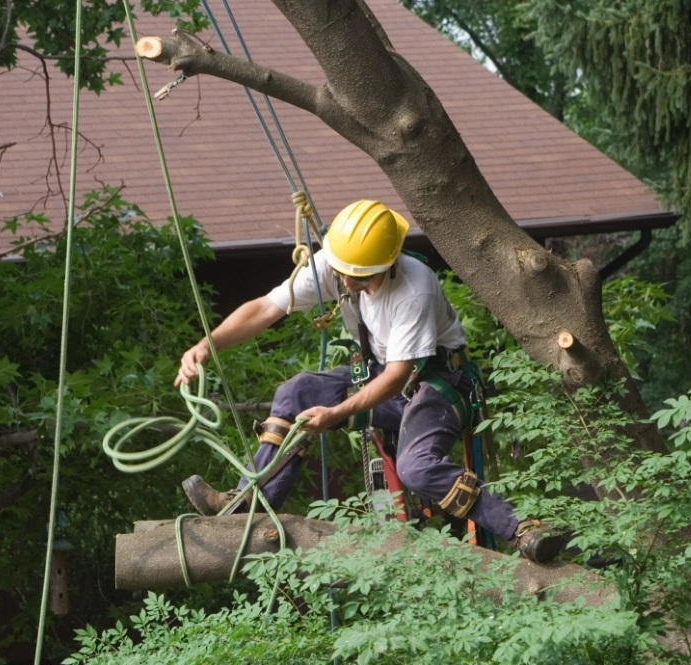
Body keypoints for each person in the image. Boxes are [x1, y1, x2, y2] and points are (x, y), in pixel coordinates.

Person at [175, 200, 562, 563]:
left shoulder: (415, 289)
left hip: (437, 382)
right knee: (297, 392)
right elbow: (265, 307)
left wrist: (335, 413)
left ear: (383, 265)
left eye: (353, 275)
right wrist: (207, 345)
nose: (342, 279)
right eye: (340, 270)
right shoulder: (341, 262)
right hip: (384, 374)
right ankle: (249, 505)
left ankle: (520, 529)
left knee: (416, 467)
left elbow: (397, 377)